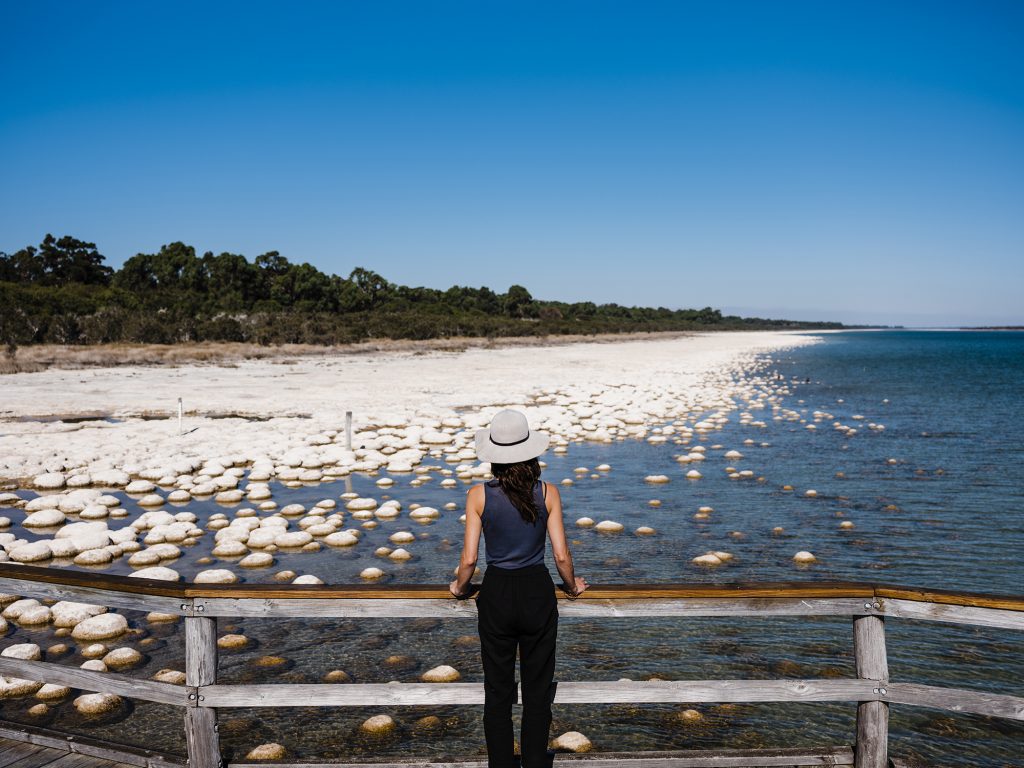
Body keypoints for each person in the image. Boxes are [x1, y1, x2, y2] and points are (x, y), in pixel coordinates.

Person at [450, 409, 589, 768]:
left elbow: (468, 561)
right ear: (531, 453)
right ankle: (533, 763)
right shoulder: (548, 493)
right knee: (538, 693)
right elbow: (560, 555)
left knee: (497, 693)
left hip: (496, 594)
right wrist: (572, 587)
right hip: (536, 593)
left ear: (494, 457)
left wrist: (459, 588)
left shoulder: (478, 495)